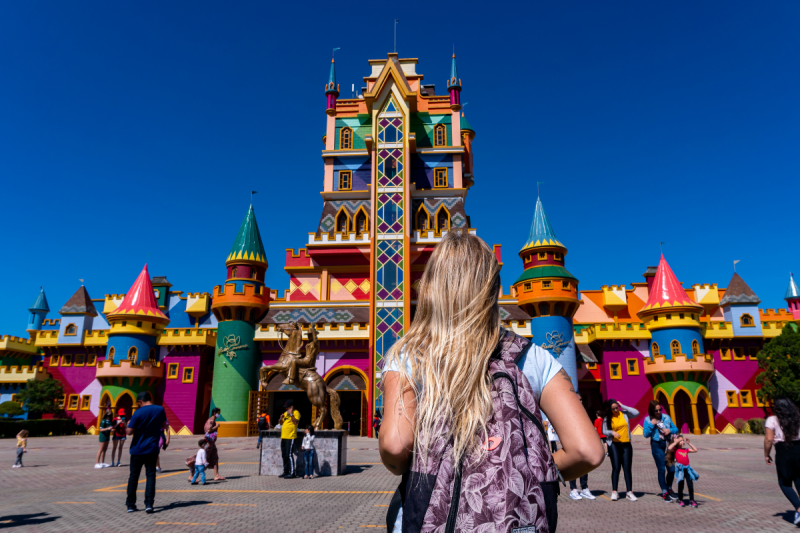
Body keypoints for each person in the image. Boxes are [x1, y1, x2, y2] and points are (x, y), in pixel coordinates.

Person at [379, 231, 605, 533]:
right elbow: (588, 451)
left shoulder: (410, 355)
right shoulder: (532, 357)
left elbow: (395, 447)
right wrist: (525, 473)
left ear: (430, 287)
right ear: (494, 288)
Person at [124, 391, 167, 513]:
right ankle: (149, 504)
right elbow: (163, 425)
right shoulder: (160, 409)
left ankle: (131, 505)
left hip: (137, 449)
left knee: (133, 477)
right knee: (151, 476)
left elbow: (129, 432)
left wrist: (128, 425)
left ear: (140, 401)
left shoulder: (138, 412)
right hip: (152, 448)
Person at [765, 397, 800, 525]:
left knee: (784, 483)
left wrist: (766, 454)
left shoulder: (772, 420)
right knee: (798, 479)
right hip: (798, 448)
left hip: (783, 451)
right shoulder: (798, 418)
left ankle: (799, 509)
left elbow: (769, 440)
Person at [601, 398, 640, 501]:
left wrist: (623, 406)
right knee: (616, 468)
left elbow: (636, 413)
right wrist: (612, 433)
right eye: (613, 409)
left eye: (616, 408)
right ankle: (614, 492)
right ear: (610, 409)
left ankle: (629, 492)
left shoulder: (624, 414)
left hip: (626, 444)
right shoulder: (607, 418)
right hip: (614, 445)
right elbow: (604, 431)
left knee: (627, 469)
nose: (615, 410)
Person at [643, 399, 679, 502]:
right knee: (662, 469)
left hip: (668, 445)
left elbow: (676, 429)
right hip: (656, 445)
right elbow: (645, 435)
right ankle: (664, 492)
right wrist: (651, 424)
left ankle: (669, 488)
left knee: (671, 470)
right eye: (656, 411)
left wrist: (670, 430)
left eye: (660, 410)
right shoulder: (647, 420)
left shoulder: (666, 417)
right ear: (651, 411)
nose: (659, 412)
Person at [568, 393, 596, 501]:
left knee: (584, 466)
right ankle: (573, 490)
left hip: (584, 443)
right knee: (574, 466)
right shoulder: (569, 412)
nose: (580, 402)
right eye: (578, 400)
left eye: (581, 400)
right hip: (573, 443)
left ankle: (584, 489)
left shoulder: (584, 413)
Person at [666, 434, 699, 507]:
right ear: (677, 441)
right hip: (680, 470)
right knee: (681, 485)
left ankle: (692, 500)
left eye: (683, 440)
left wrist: (689, 443)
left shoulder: (685, 450)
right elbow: (669, 448)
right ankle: (681, 500)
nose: (682, 442)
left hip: (688, 469)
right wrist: (675, 442)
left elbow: (695, 450)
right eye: (680, 440)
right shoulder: (675, 450)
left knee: (690, 485)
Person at [279, 400, 300, 479]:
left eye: (287, 407)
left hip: (290, 437)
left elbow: (295, 422)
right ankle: (286, 471)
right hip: (283, 436)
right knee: (284, 455)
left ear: (292, 407)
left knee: (289, 455)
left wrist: (291, 414)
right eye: (286, 408)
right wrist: (280, 418)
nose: (286, 409)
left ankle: (292, 473)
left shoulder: (296, 413)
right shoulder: (285, 414)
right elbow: (280, 423)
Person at [204, 407, 226, 481]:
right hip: (208, 444)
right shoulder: (211, 420)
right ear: (214, 413)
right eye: (218, 413)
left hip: (212, 444)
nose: (219, 415)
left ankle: (216, 475)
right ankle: (192, 475)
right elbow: (208, 430)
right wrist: (216, 426)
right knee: (203, 459)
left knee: (215, 458)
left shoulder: (213, 421)